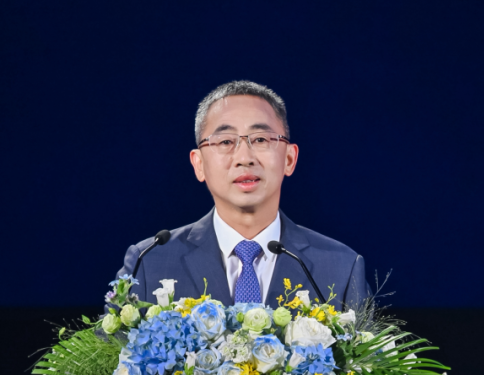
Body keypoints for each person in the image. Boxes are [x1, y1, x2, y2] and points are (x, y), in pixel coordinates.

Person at [116, 80, 371, 311]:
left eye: (260, 139)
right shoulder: (148, 263)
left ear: (289, 159)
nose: (244, 158)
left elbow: (365, 350)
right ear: (199, 164)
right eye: (225, 142)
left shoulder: (341, 267)